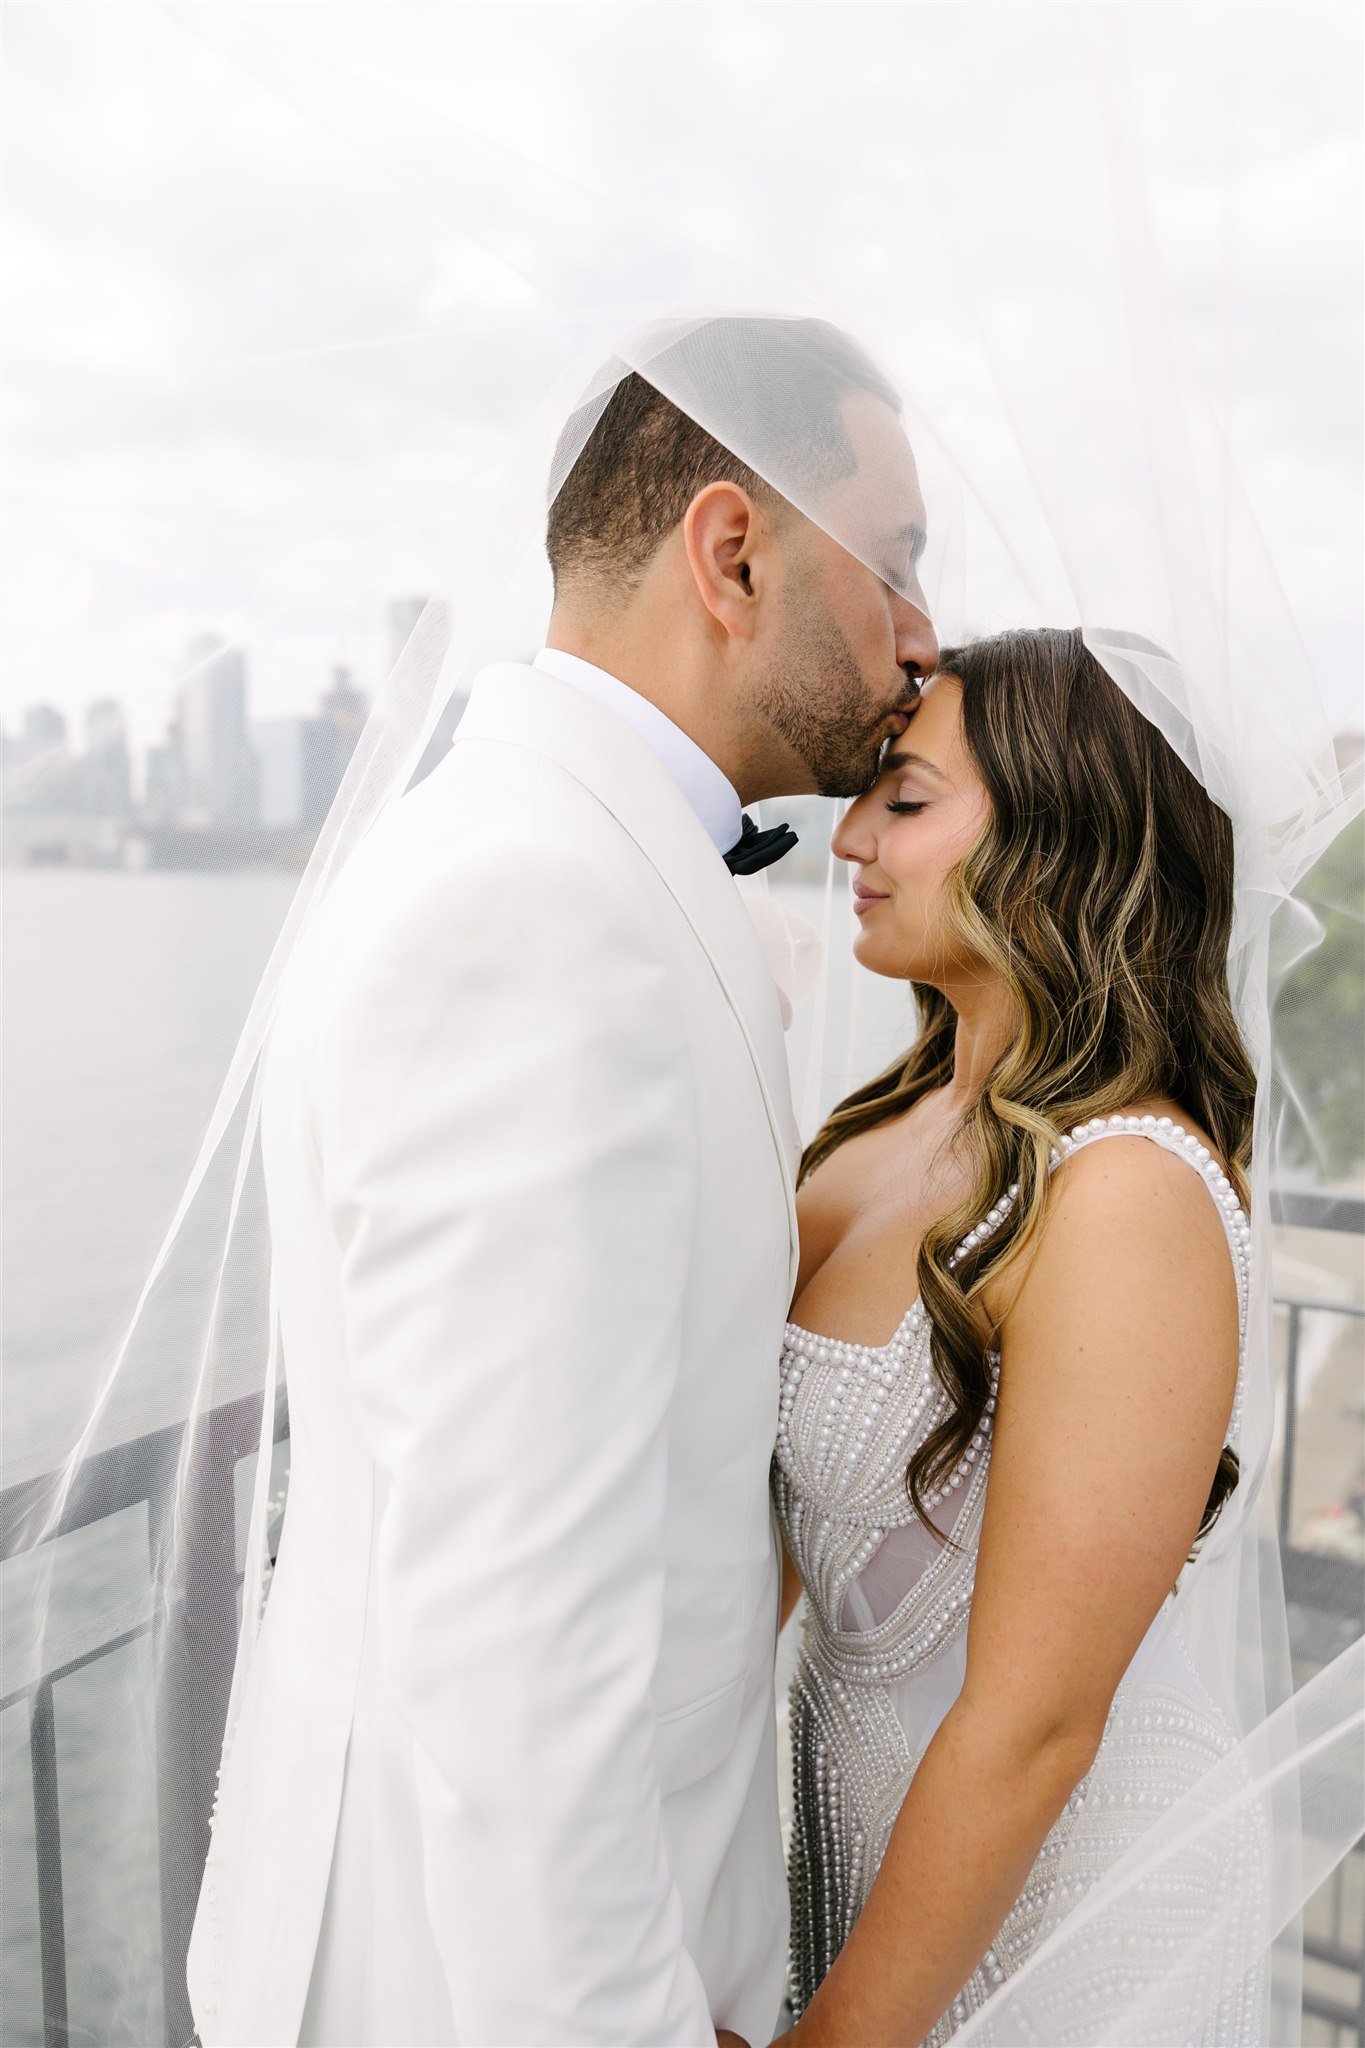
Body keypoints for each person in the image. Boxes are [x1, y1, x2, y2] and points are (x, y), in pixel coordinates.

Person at [185, 317, 938, 2048]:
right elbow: (513, 1640)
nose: (918, 631)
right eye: (894, 563)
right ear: (732, 554)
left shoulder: (558, 859)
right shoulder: (542, 908)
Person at [773, 626, 1265, 2047]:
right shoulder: (873, 1135)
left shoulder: (1125, 1195)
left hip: (1071, 1923)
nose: (850, 834)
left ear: (1058, 838)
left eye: (906, 800)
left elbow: (1038, 1721)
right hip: (872, 1865)